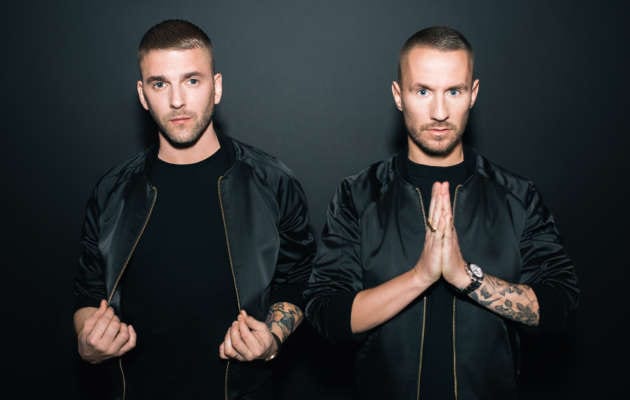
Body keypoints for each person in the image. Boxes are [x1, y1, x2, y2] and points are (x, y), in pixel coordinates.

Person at [304, 26, 579, 400]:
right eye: (422, 91)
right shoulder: (359, 195)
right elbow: (327, 314)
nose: (439, 112)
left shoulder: (517, 197)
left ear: (473, 94)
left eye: (454, 91)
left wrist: (466, 277)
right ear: (398, 96)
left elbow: (559, 306)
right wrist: (420, 276)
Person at [72, 19, 316, 399]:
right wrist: (88, 342)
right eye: (159, 84)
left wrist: (272, 337)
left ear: (216, 87)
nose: (177, 101)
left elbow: (299, 278)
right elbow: (89, 293)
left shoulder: (272, 182)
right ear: (142, 94)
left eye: (191, 81)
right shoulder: (112, 192)